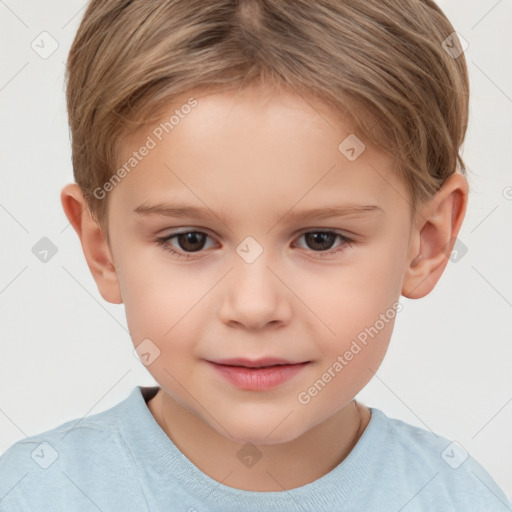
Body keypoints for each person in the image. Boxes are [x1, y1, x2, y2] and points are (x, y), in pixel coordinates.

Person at [1, 0, 510, 510]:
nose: (254, 306)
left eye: (320, 239)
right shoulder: (34, 492)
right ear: (102, 249)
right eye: (190, 240)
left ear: (427, 241)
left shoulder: (458, 498)